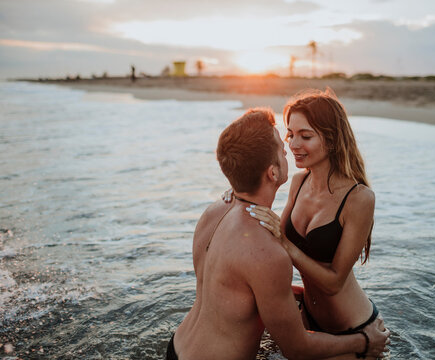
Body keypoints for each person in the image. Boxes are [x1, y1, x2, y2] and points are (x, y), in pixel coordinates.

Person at [167, 108, 390, 360]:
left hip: (177, 348)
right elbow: (297, 349)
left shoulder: (214, 212)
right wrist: (365, 340)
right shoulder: (267, 252)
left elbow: (235, 285)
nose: (291, 148)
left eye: (303, 136)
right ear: (273, 172)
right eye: (284, 148)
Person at [239, 89, 383, 345]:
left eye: (305, 136)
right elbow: (273, 241)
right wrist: (235, 197)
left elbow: (334, 282)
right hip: (308, 319)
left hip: (355, 330)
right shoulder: (298, 182)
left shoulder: (359, 198)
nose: (293, 145)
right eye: (291, 134)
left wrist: (285, 243)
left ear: (332, 139)